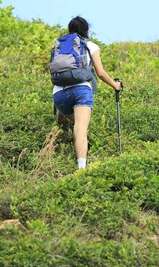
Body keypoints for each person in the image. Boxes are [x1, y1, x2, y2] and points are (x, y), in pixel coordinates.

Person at [52, 16, 121, 169]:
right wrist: (115, 85)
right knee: (81, 128)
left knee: (72, 121)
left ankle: (58, 131)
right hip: (81, 90)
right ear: (86, 30)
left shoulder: (59, 45)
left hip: (58, 95)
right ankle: (82, 169)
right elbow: (101, 73)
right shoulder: (90, 45)